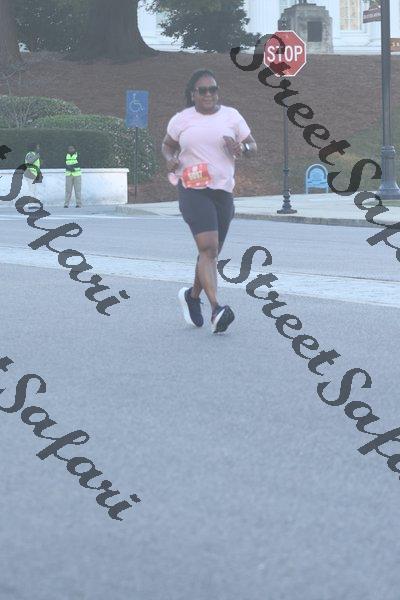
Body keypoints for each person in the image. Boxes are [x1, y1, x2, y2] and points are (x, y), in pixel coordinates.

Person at [162, 69, 257, 333]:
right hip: (193, 188)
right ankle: (217, 308)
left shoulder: (232, 116)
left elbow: (252, 146)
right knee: (208, 247)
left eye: (213, 89)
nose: (208, 94)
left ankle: (192, 296)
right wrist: (170, 159)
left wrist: (241, 148)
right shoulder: (182, 119)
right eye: (202, 90)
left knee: (211, 253)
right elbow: (167, 145)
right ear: (192, 94)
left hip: (223, 190)